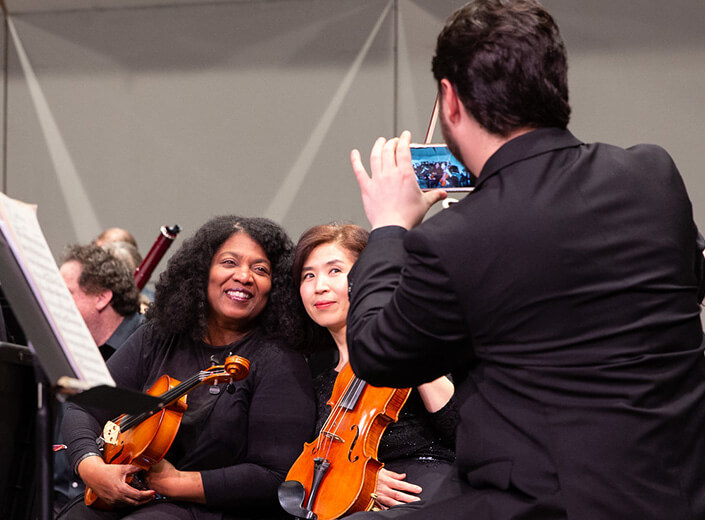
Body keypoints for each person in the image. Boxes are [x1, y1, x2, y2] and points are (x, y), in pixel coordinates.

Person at [345, 1, 705, 519]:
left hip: (549, 503)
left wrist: (388, 228)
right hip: (679, 491)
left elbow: (379, 354)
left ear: (450, 100)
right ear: (557, 82)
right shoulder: (652, 175)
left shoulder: (455, 238)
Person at [58, 216, 315, 520]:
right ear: (201, 271)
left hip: (216, 510)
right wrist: (91, 466)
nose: (244, 276)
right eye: (229, 262)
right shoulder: (158, 336)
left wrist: (179, 482)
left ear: (275, 286)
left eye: (260, 269)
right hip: (132, 495)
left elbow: (276, 475)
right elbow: (87, 404)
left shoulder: (279, 361)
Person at [292, 223, 457, 515]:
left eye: (335, 271)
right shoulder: (310, 370)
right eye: (309, 275)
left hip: (418, 486)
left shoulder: (413, 341)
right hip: (343, 495)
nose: (320, 286)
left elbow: (462, 430)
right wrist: (362, 481)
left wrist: (406, 340)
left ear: (367, 278)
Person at [55, 244, 147, 513]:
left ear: (102, 297)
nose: (54, 301)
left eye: (66, 292)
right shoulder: (67, 345)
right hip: (63, 496)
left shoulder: (145, 346)